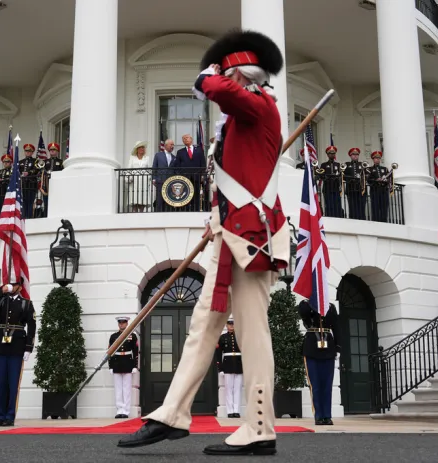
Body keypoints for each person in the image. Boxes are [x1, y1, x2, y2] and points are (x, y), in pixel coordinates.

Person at [118, 29, 289, 456]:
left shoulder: (261, 107)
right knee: (202, 327)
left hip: (252, 241)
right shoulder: (234, 125)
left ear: (245, 78)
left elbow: (215, 89)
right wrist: (215, 222)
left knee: (252, 333)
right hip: (228, 236)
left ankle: (260, 425)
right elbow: (231, 185)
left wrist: (212, 74)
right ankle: (171, 414)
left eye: (231, 76)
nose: (222, 83)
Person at [0, 278, 36, 427]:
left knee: (13, 384)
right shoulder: (1, 300)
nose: (11, 286)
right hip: (0, 345)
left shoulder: (26, 303)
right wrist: (1, 291)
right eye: (10, 284)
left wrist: (28, 348)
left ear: (20, 287)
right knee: (0, 382)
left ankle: (10, 416)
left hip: (16, 346)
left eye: (14, 285)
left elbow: (31, 327)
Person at [298, 300, 340, 425]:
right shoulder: (306, 305)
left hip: (328, 348)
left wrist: (338, 347)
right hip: (311, 348)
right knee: (315, 385)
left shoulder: (330, 307)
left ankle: (327, 415)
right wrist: (313, 303)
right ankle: (318, 415)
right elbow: (304, 314)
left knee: (327, 385)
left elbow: (336, 327)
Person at [108, 316, 139, 419]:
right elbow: (110, 352)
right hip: (117, 363)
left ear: (127, 323)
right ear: (118, 324)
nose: (122, 324)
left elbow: (135, 352)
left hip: (128, 363)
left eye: (123, 322)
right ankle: (119, 410)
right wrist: (110, 366)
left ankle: (126, 410)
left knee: (126, 389)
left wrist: (135, 365)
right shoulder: (113, 336)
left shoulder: (132, 336)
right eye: (120, 323)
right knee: (118, 389)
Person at [215, 317, 243, 418]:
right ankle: (230, 411)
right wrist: (220, 368)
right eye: (230, 324)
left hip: (239, 364)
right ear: (227, 325)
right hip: (227, 364)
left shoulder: (240, 336)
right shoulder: (222, 337)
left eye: (233, 324)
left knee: (237, 389)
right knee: (228, 389)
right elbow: (218, 354)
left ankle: (236, 410)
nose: (232, 326)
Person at [172, 134, 206, 211]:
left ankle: (196, 210)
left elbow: (203, 164)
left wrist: (202, 175)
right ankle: (186, 210)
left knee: (196, 194)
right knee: (185, 195)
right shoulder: (180, 152)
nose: (185, 139)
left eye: (187, 138)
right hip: (185, 178)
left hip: (197, 177)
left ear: (191, 139)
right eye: (183, 139)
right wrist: (180, 176)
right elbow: (177, 166)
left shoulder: (199, 150)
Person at [317, 146, 343, 218]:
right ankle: (329, 217)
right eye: (330, 153)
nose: (332, 155)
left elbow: (341, 175)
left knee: (337, 204)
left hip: (336, 188)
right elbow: (321, 175)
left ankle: (338, 218)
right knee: (328, 204)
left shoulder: (338, 165)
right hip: (327, 188)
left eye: (333, 153)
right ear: (327, 155)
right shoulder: (324, 165)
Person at [126, 141, 152, 213]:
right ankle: (134, 213)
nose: (142, 149)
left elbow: (150, 170)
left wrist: (148, 178)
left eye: (143, 148)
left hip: (144, 181)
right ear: (137, 149)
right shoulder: (132, 158)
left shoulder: (147, 158)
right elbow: (129, 169)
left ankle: (141, 212)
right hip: (134, 181)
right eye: (140, 148)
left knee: (143, 198)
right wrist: (128, 178)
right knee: (134, 198)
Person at [152, 139, 176, 212]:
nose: (172, 146)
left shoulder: (174, 157)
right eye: (171, 145)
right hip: (160, 180)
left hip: (170, 182)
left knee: (169, 200)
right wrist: (153, 178)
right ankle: (158, 216)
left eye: (173, 145)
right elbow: (154, 167)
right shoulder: (158, 155)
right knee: (159, 200)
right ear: (165, 146)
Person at [343, 148, 365, 220]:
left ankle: (362, 220)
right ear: (350, 156)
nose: (355, 156)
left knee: (361, 206)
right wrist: (351, 178)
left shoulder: (362, 164)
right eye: (353, 155)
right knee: (352, 206)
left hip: (360, 189)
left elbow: (366, 175)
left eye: (357, 155)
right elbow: (343, 175)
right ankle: (353, 219)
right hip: (351, 189)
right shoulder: (347, 164)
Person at [367, 151, 389, 222]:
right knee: (375, 206)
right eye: (376, 158)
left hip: (383, 190)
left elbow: (389, 179)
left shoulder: (385, 169)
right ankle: (375, 221)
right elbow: (368, 179)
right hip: (375, 190)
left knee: (384, 206)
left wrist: (385, 180)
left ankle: (384, 221)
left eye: (379, 158)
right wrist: (376, 179)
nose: (377, 160)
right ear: (373, 159)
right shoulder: (369, 169)